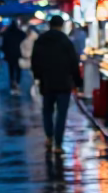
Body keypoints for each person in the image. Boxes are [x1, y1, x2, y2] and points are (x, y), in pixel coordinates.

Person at [31, 15, 81, 153]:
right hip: (64, 83)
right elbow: (73, 63)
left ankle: (49, 137)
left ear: (49, 25)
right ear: (61, 25)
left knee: (47, 111)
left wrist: (38, 77)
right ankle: (58, 145)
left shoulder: (41, 40)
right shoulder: (66, 41)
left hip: (46, 82)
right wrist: (77, 83)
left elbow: (35, 61)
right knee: (61, 114)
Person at [0, 19, 26, 93]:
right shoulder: (21, 34)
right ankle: (17, 82)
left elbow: (3, 45)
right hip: (18, 54)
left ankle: (12, 82)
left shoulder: (7, 34)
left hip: (10, 55)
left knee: (11, 69)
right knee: (18, 69)